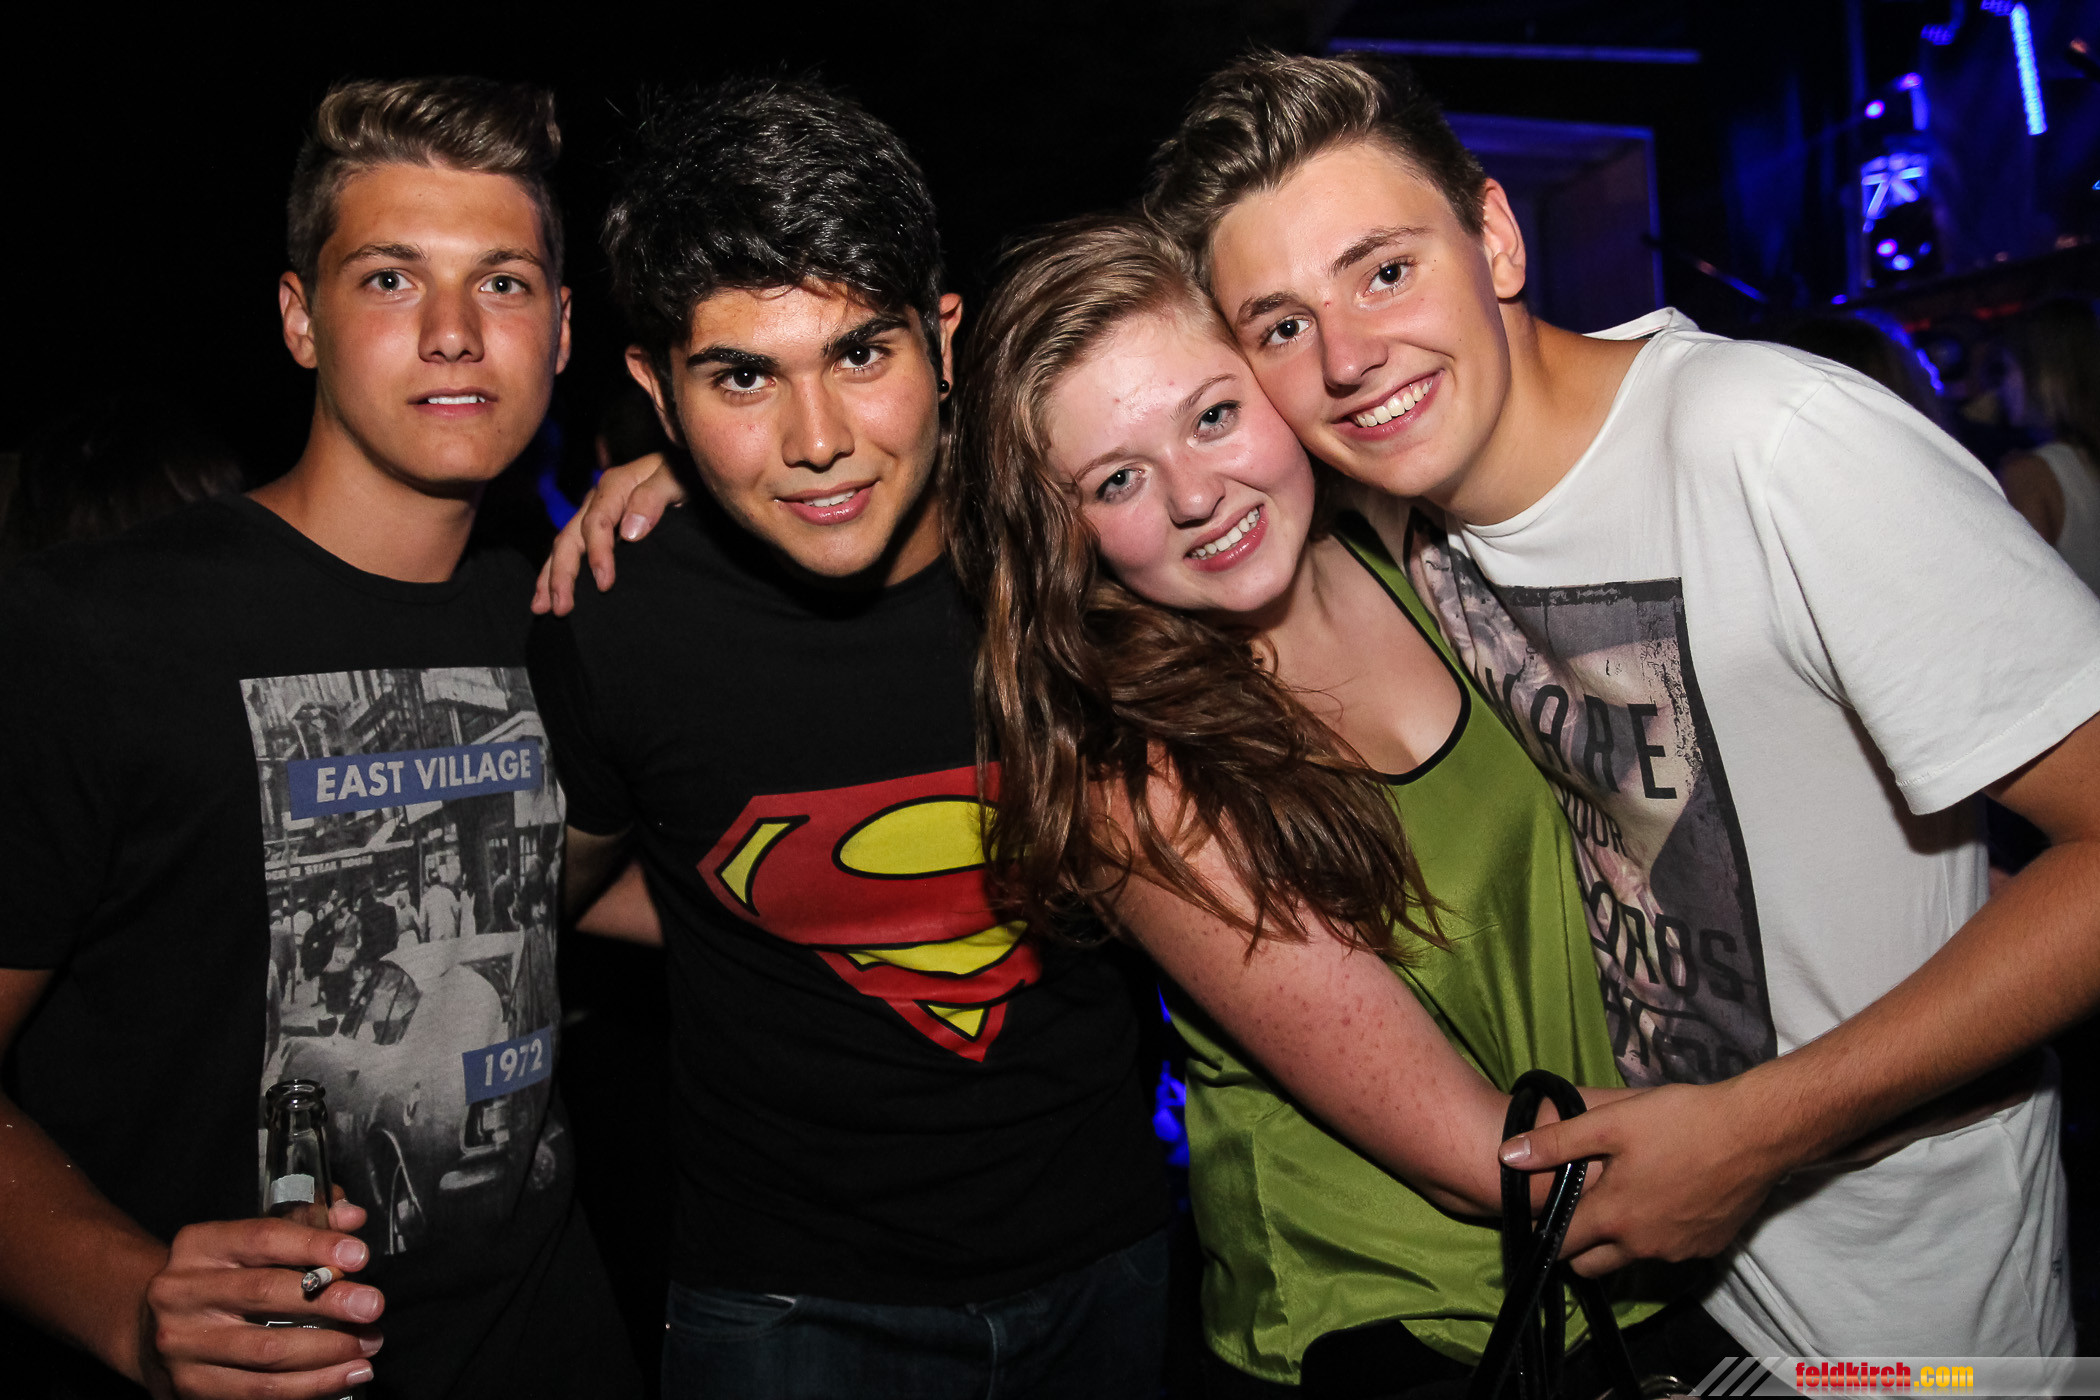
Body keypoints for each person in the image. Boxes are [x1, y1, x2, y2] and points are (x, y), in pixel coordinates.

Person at [1137, 49, 2100, 1360]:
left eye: (1386, 270)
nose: (1351, 356)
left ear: (1495, 236)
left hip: (1905, 1284)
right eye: (1283, 327)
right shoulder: (1405, 516)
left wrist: (1756, 1132)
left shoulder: (1774, 446)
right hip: (1668, 1302)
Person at [947, 213, 1720, 1396]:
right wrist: (1788, 1126)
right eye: (1118, 479)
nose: (1198, 494)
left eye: (1213, 414)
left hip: (1622, 1248)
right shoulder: (1143, 784)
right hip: (1401, 1328)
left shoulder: (1414, 549)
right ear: (1068, 535)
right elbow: (1471, 1154)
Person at [526, 77, 1169, 1400]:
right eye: (743, 376)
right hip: (785, 1299)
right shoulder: (617, 622)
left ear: (945, 339)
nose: (817, 441)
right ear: (657, 392)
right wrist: (767, 920)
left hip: (1111, 1252)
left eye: (862, 354)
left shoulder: (1088, 553)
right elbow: (559, 894)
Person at [0, 77, 636, 1399]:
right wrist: (130, 1306)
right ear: (300, 318)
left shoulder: (567, 617)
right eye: (392, 279)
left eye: (504, 283)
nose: (455, 333)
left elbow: (605, 885)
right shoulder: (91, 633)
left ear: (563, 328)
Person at [1999, 297, 2100, 595]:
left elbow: (2026, 595)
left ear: (2045, 375)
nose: (2002, 385)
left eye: (2008, 368)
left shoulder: (2031, 474)